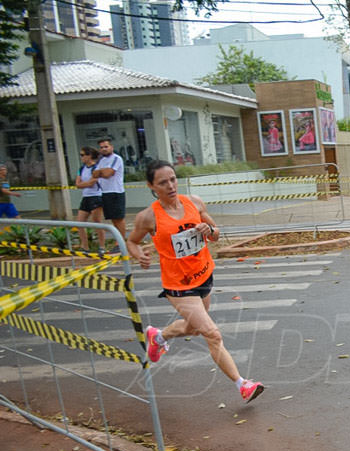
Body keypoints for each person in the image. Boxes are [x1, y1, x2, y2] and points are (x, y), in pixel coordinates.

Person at [126, 160, 265, 404]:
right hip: (179, 287)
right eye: (162, 182)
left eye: (172, 179)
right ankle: (243, 384)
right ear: (151, 186)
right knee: (212, 334)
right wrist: (139, 254)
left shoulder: (194, 202)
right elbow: (132, 241)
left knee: (192, 328)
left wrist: (208, 229)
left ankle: (158, 337)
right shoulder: (148, 217)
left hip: (203, 276)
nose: (170, 185)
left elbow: (216, 232)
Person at [92, 137, 127, 248]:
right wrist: (102, 172)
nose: (104, 149)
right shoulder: (101, 161)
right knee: (113, 219)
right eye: (101, 147)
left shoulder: (117, 158)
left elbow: (108, 174)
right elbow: (94, 174)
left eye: (106, 147)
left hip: (116, 192)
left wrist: (101, 172)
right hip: (105, 192)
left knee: (119, 218)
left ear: (111, 147)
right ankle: (118, 241)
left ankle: (121, 243)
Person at [74, 147, 104, 249]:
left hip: (95, 196)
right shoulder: (81, 169)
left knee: (97, 221)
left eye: (83, 155)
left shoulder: (95, 168)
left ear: (89, 156)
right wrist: (84, 184)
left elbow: (92, 183)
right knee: (80, 222)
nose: (81, 157)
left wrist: (84, 184)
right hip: (86, 197)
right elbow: (77, 184)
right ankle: (85, 246)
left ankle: (102, 246)